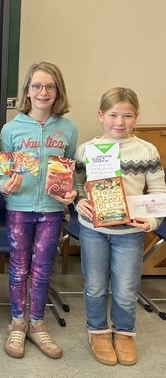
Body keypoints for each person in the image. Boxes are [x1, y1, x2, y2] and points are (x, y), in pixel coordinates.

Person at [74, 87, 166, 366]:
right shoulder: (86, 150)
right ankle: (98, 332)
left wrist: (152, 220)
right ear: (101, 115)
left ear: (136, 117)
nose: (120, 122)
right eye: (113, 115)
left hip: (130, 233)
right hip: (93, 230)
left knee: (126, 288)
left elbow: (158, 190)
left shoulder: (146, 150)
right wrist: (79, 201)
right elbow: (77, 185)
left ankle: (125, 334)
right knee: (95, 285)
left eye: (127, 115)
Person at [0, 62, 78, 359]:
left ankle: (37, 324)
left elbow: (73, 171)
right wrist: (5, 187)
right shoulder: (11, 129)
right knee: (19, 269)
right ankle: (18, 323)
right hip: (19, 209)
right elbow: (3, 174)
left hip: (52, 210)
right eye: (37, 86)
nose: (43, 92)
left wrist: (72, 192)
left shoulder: (69, 129)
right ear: (27, 91)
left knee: (43, 269)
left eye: (49, 86)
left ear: (58, 91)